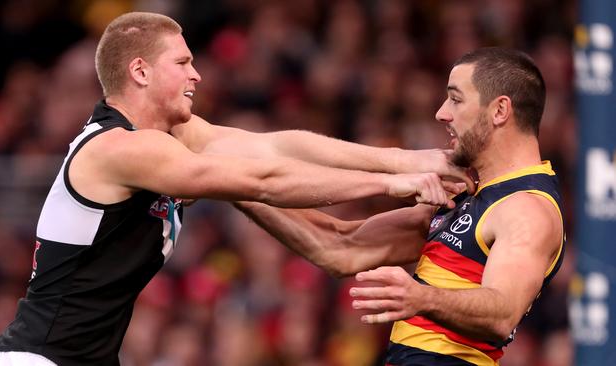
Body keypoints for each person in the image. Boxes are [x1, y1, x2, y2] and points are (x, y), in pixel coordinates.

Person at [0, 12, 471, 366]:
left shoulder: (172, 136)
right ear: (140, 71)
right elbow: (263, 179)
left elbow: (274, 149)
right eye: (183, 61)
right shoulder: (118, 148)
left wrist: (405, 158)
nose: (197, 73)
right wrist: (391, 182)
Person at [235, 47, 565, 366]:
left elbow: (503, 313)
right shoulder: (469, 196)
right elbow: (339, 247)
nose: (442, 113)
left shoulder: (527, 208)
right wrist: (230, 184)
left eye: (455, 98)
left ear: (499, 111)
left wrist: (422, 297)